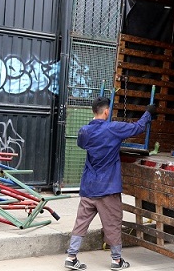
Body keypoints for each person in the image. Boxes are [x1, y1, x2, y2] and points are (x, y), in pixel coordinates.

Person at [65, 96, 156, 270]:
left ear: (93, 111)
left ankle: (71, 256)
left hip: (89, 187)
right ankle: (116, 261)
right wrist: (148, 113)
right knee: (112, 223)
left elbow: (83, 144)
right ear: (106, 111)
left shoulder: (84, 131)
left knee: (81, 223)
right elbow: (138, 128)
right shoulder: (113, 129)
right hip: (108, 188)